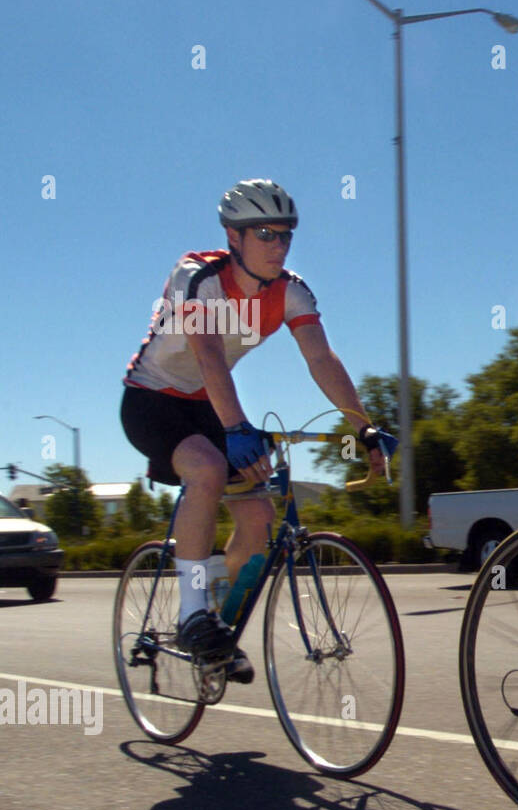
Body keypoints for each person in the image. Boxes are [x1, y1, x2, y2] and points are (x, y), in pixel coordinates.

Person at [121, 179, 391, 680]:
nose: (278, 245)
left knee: (260, 519)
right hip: (152, 400)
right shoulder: (197, 277)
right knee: (205, 468)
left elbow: (321, 358)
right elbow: (207, 355)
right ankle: (190, 613)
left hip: (208, 405)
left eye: (286, 234)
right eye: (264, 233)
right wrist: (237, 428)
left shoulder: (290, 290)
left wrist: (365, 426)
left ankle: (213, 605)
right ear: (233, 236)